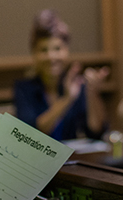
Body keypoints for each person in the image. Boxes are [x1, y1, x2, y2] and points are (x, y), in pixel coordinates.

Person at [13, 9, 109, 141]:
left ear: (67, 50)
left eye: (57, 49)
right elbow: (31, 134)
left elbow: (95, 132)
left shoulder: (77, 85)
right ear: (34, 54)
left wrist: (92, 93)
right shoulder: (24, 89)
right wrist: (67, 99)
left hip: (72, 160)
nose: (51, 57)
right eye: (43, 50)